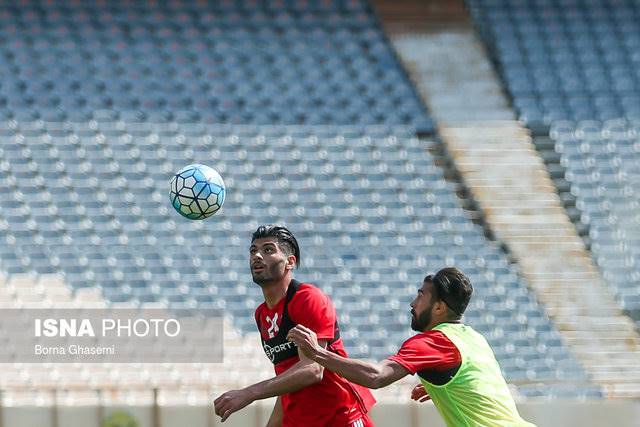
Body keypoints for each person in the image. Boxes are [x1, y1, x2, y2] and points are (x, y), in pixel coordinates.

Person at [288, 267, 536, 427]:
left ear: (439, 308)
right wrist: (439, 385)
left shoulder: (433, 341)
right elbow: (475, 378)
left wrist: (318, 354)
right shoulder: (472, 337)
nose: (412, 302)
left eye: (420, 295)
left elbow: (376, 376)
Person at [214, 225, 376, 426]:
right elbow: (285, 380)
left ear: (290, 262)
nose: (257, 255)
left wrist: (249, 393)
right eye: (253, 250)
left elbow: (312, 370)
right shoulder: (262, 314)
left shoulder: (307, 299)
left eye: (268, 250)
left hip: (340, 418)